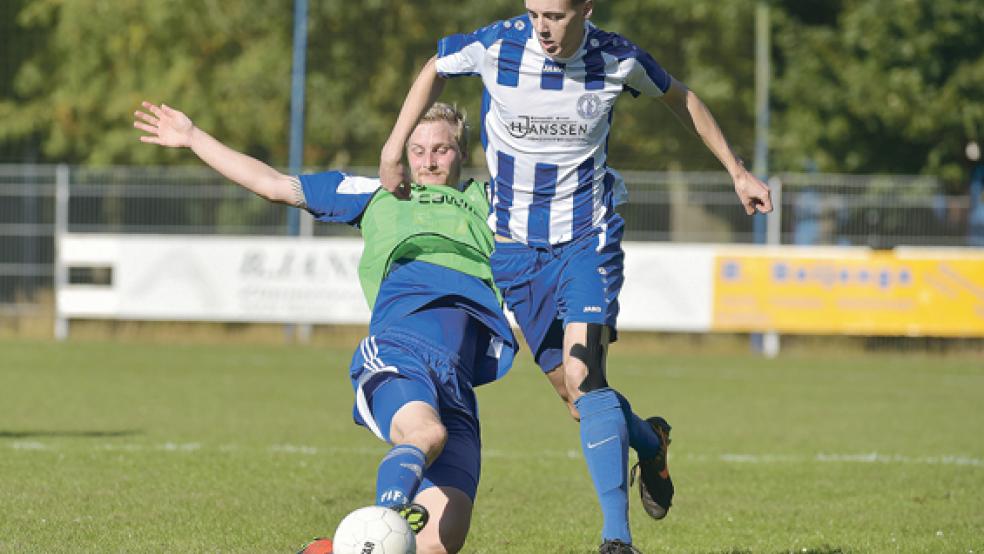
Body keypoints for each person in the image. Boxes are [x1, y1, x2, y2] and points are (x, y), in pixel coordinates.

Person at [378, 1, 773, 552]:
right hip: (515, 254)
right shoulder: (498, 46)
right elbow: (435, 67)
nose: (544, 27)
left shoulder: (616, 59)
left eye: (557, 15)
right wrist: (393, 146)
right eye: (536, 12)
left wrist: (737, 170)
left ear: (585, 8)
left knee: (585, 375)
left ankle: (617, 539)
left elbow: (680, 96)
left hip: (587, 240)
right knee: (576, 397)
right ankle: (649, 441)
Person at [133, 100, 517, 554]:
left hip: (458, 381)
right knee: (425, 436)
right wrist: (194, 137)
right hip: (400, 352)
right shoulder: (376, 193)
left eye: (442, 149)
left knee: (436, 546)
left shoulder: (494, 205)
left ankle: (330, 550)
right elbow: (273, 184)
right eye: (417, 149)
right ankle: (381, 526)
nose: (428, 161)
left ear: (461, 153)